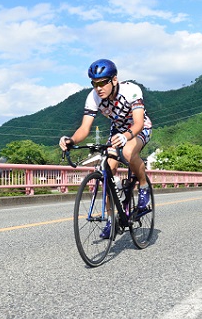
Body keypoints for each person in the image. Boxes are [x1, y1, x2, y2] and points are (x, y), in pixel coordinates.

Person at [59, 59, 153, 238]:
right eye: (94, 83)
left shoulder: (131, 91)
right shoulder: (93, 97)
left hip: (138, 127)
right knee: (107, 170)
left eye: (102, 82)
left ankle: (143, 186)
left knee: (127, 151)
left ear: (114, 80)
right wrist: (71, 140)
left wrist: (126, 137)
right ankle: (112, 219)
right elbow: (84, 129)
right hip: (117, 129)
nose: (98, 88)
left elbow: (139, 122)